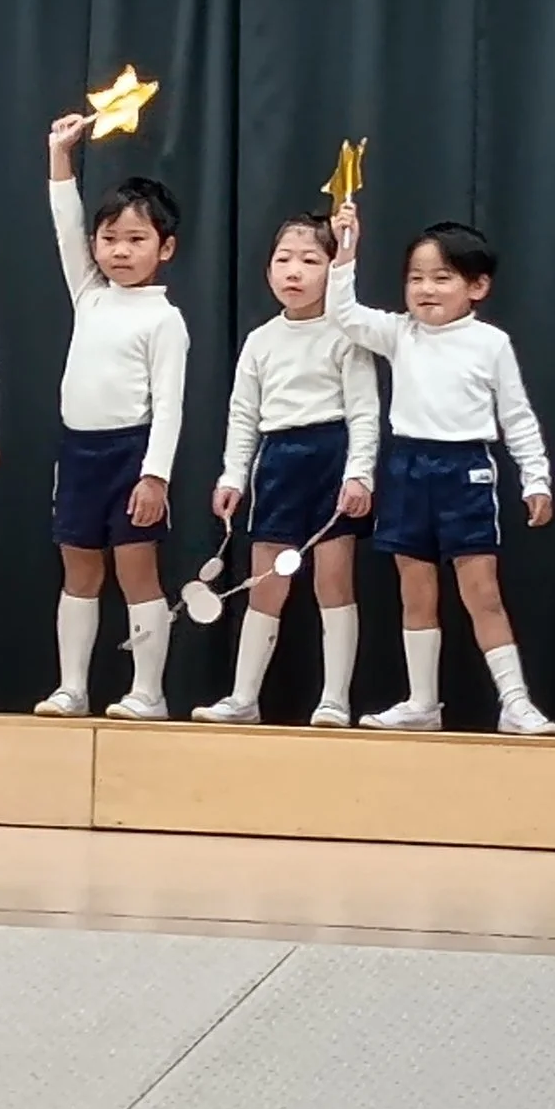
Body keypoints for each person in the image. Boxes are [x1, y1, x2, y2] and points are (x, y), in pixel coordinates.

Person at [329, 200, 555, 735]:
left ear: (477, 287)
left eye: (441, 277)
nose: (425, 289)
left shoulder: (490, 343)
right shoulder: (399, 333)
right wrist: (346, 248)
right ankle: (422, 702)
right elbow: (345, 315)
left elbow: (517, 417)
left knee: (482, 593)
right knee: (415, 592)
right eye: (415, 278)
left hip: (466, 470)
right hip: (408, 468)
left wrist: (537, 478)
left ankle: (515, 702)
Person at [193, 212, 378, 728]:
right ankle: (243, 697)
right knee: (265, 583)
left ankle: (335, 699)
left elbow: (365, 411)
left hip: (331, 456)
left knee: (333, 583)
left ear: (333, 268)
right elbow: (242, 414)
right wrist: (232, 476)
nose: (294, 271)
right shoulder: (260, 340)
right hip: (277, 462)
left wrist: (359, 474)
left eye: (310, 260)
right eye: (283, 259)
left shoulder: (347, 334)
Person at [39, 114, 190, 721]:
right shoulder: (90, 294)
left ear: (165, 247)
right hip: (79, 453)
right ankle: (72, 687)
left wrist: (155, 476)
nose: (120, 251)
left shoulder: (164, 319)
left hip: (132, 454)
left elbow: (170, 406)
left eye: (136, 239)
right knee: (78, 568)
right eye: (109, 239)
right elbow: (64, 224)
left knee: (135, 570)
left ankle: (148, 692)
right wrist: (59, 155)